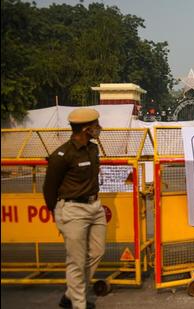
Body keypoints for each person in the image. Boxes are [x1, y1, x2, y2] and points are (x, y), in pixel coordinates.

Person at [43, 108, 106, 309]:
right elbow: (49, 188)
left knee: (97, 252)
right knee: (76, 262)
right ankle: (78, 304)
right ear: (87, 129)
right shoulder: (62, 155)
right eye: (96, 125)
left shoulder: (93, 148)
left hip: (95, 207)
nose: (99, 128)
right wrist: (58, 213)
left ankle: (71, 294)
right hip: (72, 209)